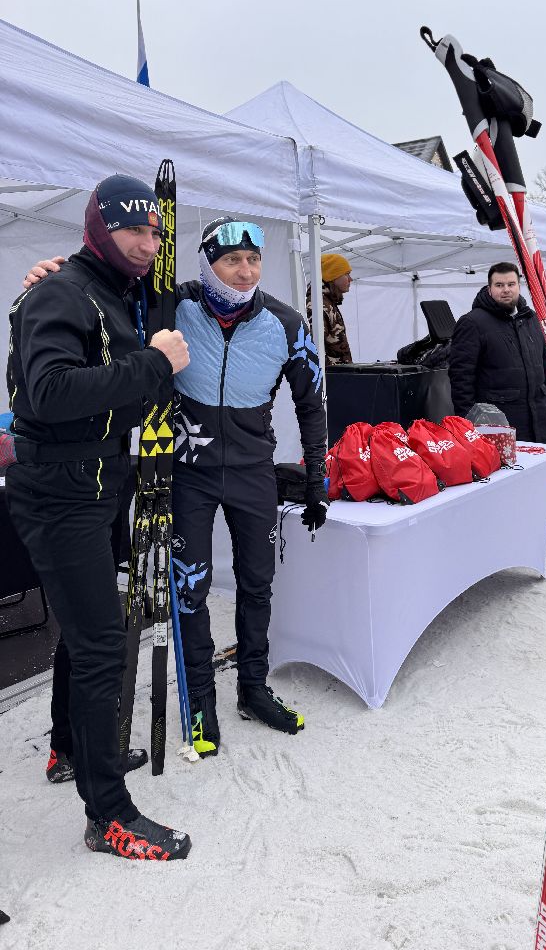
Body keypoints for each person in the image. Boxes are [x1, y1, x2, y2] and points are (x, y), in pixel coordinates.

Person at [28, 218, 329, 760]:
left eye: (253, 260)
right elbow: (92, 286)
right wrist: (48, 272)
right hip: (186, 469)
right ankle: (201, 704)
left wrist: (317, 481)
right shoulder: (170, 305)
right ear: (207, 263)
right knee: (190, 589)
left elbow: (313, 403)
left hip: (252, 471)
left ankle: (254, 689)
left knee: (257, 583)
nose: (244, 271)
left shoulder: (286, 322)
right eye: (230, 261)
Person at [7, 174, 192, 860]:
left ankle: (67, 751)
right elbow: (51, 392)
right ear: (98, 228)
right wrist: (155, 364)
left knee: (85, 632)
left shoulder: (110, 291)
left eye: (153, 234)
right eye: (133, 232)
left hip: (96, 480)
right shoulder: (63, 290)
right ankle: (107, 814)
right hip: (62, 488)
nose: (146, 245)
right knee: (100, 644)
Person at [449, 262, 546, 552]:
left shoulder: (531, 320)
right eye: (499, 285)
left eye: (510, 284)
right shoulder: (473, 322)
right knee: (504, 485)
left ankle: (545, 533)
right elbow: (461, 376)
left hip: (537, 417)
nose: (505, 290)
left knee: (539, 482)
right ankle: (502, 541)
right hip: (499, 424)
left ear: (519, 285)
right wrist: (468, 422)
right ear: (489, 288)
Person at [306, 253, 353, 364]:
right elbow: (314, 348)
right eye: (347, 274)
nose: (351, 279)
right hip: (329, 377)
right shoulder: (317, 304)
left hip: (336, 375)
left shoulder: (327, 302)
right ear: (333, 276)